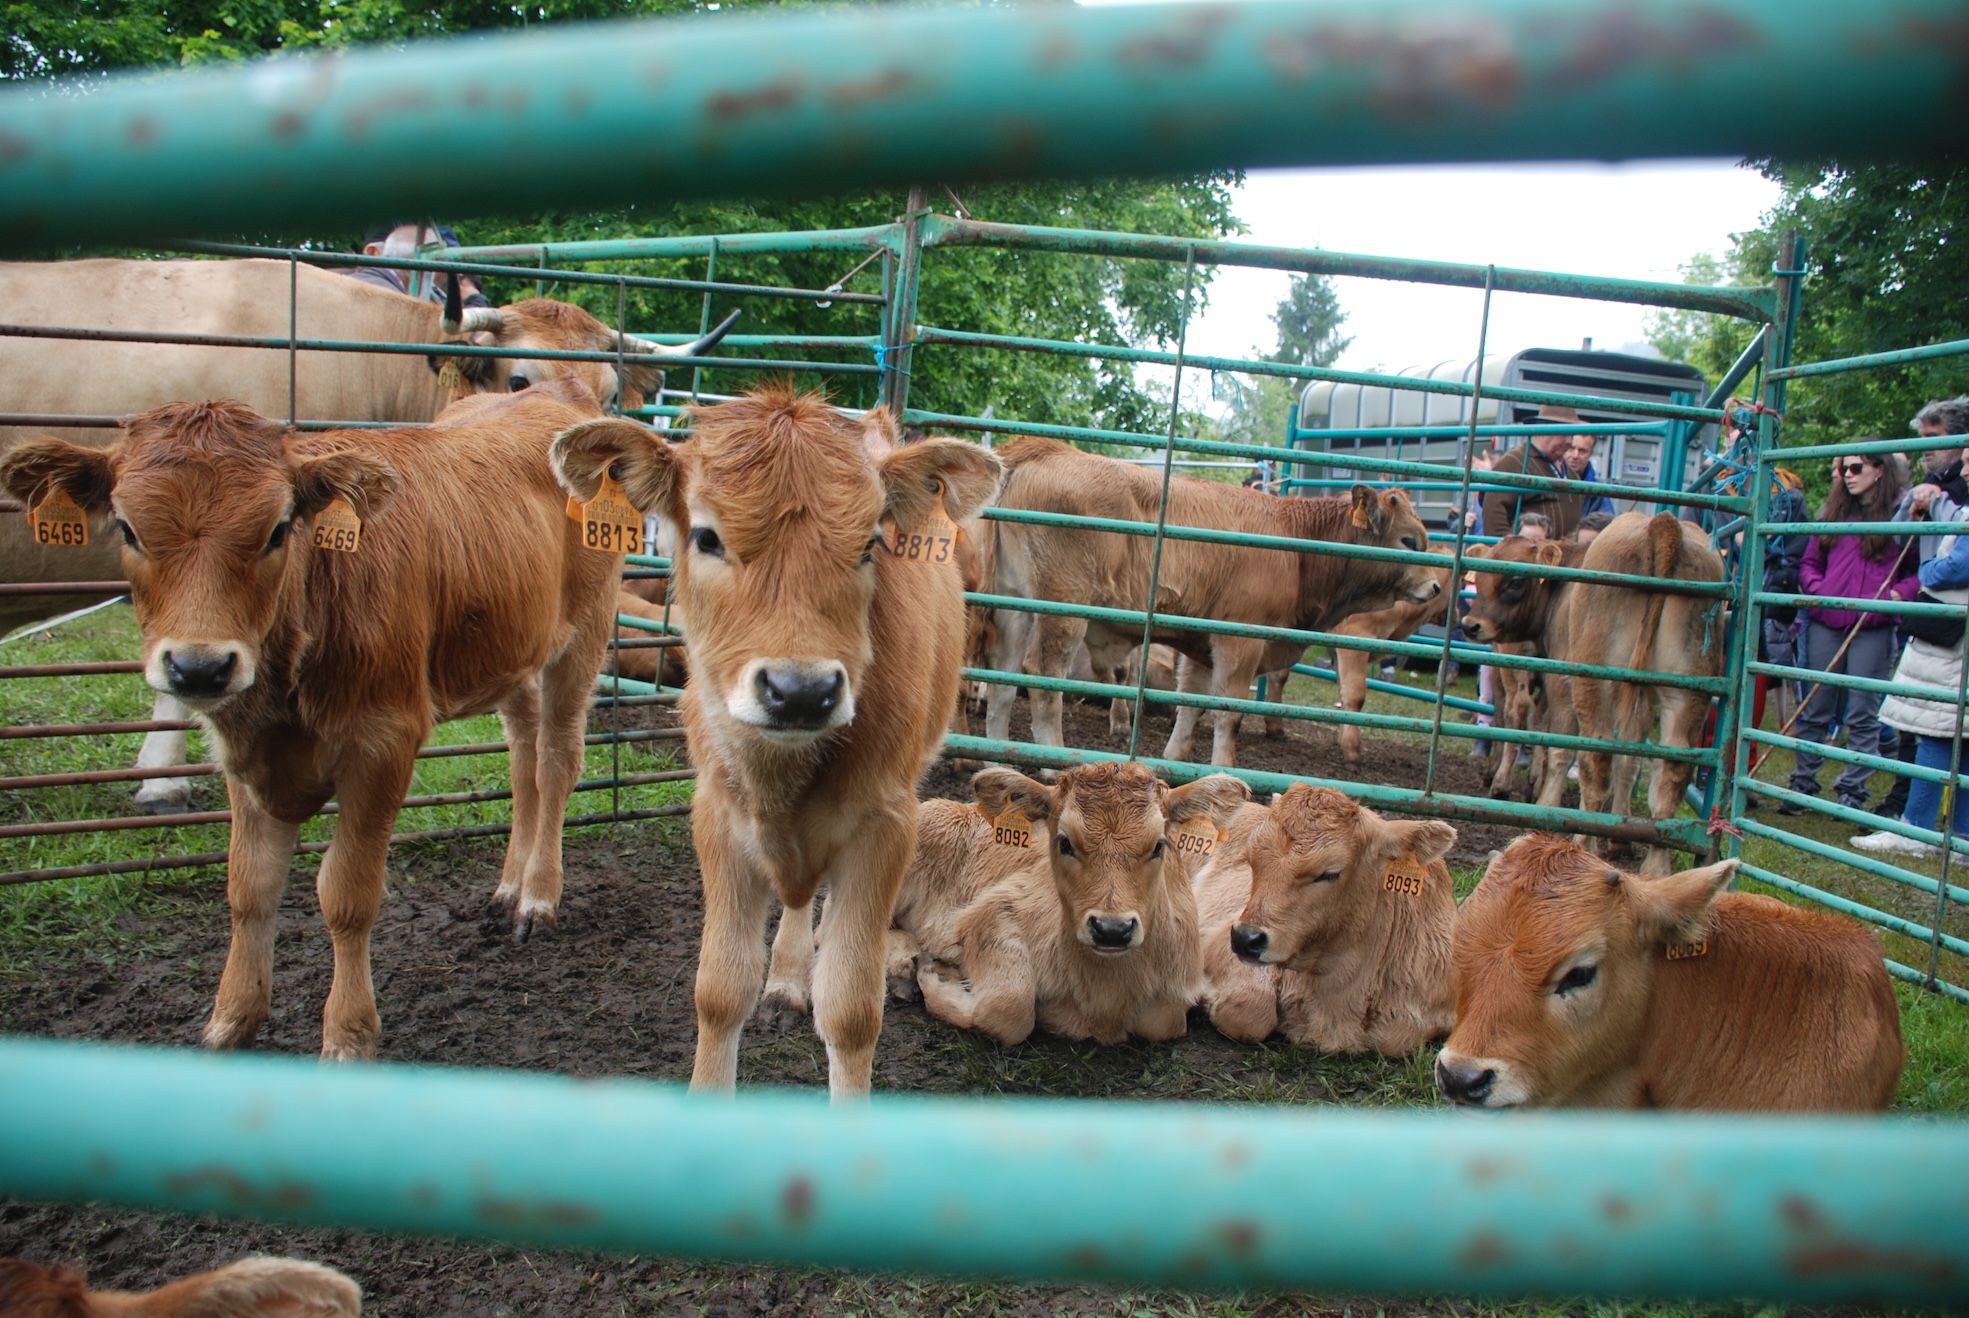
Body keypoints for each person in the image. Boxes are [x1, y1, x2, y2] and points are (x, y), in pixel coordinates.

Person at [1782, 447, 1921, 815]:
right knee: (1815, 706)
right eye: (1843, 468)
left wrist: (1896, 595)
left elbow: (1917, 568)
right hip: (1828, 622)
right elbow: (1810, 563)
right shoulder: (1833, 513)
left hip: (1873, 627)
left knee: (1863, 711)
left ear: (1879, 470)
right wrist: (1819, 593)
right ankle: (1803, 784)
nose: (1847, 474)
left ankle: (1852, 790)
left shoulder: (1901, 517)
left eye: (1856, 467)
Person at [1852, 476, 1969, 858]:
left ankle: (1915, 830)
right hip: (1952, 638)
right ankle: (1962, 838)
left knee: (1936, 730)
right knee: (1960, 738)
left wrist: (1929, 567)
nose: (1964, 471)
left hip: (1952, 642)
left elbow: (1952, 568)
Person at [1870, 396, 1969, 819]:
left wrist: (1927, 570)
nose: (1927, 448)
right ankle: (1908, 806)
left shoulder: (1958, 489)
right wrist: (1915, 505)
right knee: (1923, 720)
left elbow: (1957, 559)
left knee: (1936, 724)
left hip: (1950, 613)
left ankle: (1917, 819)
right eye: (1922, 439)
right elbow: (1896, 535)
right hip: (1932, 611)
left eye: (1936, 438)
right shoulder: (1929, 485)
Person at [1483, 404, 1586, 540]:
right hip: (1529, 556)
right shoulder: (1514, 463)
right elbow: (1493, 513)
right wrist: (1508, 553)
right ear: (1543, 429)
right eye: (1564, 433)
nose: (1569, 441)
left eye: (1572, 434)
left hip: (1561, 557)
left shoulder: (1571, 473)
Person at [341, 219, 490, 309]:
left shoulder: (427, 292)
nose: (442, 270)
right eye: (436, 260)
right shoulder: (386, 295)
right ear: (374, 252)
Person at [1565, 435, 1617, 519]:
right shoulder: (1547, 476)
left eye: (1582, 451)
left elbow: (1606, 526)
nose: (1575, 455)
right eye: (1571, 448)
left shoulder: (1598, 493)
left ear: (1591, 453)